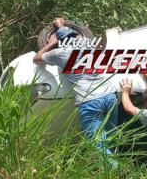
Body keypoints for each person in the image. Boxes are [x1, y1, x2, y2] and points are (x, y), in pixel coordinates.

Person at [33, 18, 119, 167]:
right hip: (110, 96)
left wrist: (51, 44)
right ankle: (111, 169)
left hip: (90, 101)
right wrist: (62, 26)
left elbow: (36, 59)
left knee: (97, 145)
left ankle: (115, 173)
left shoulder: (60, 53)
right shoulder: (91, 47)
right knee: (109, 140)